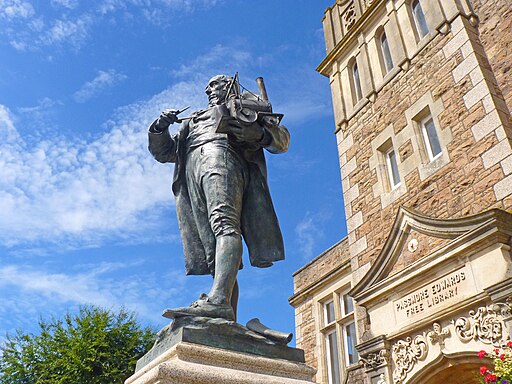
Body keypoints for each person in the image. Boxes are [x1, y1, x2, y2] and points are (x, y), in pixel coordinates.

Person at [148, 75, 289, 321]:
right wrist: (160, 127)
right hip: (191, 167)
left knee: (224, 223)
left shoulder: (246, 106)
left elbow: (282, 140)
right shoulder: (192, 121)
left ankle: (219, 301)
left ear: (230, 84)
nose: (209, 89)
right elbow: (165, 153)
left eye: (215, 84)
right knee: (211, 248)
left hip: (221, 155)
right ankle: (224, 314)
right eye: (207, 87)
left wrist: (258, 133)